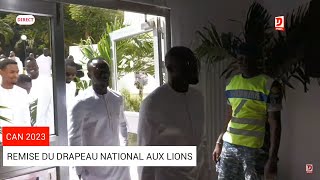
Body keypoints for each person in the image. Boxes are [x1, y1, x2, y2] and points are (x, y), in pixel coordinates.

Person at [212, 43, 283, 180]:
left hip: (254, 150)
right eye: (240, 58)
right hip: (230, 145)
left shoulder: (270, 85)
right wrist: (219, 142)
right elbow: (230, 116)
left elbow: (275, 123)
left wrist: (273, 158)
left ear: (256, 60)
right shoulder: (232, 83)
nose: (242, 62)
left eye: (246, 58)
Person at [137, 46, 204, 180]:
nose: (193, 69)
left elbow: (202, 142)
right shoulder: (153, 103)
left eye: (194, 63)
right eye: (187, 64)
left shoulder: (198, 97)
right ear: (170, 69)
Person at [68, 58, 130, 180]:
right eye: (99, 71)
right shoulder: (80, 103)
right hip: (94, 170)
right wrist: (79, 169)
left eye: (106, 71)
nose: (104, 74)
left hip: (119, 168)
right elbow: (74, 139)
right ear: (89, 75)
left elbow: (123, 125)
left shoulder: (117, 98)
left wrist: (124, 149)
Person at [0, 59, 30, 128]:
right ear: (1, 72)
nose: (16, 75)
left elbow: (27, 119)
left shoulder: (22, 93)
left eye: (17, 72)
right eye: (12, 72)